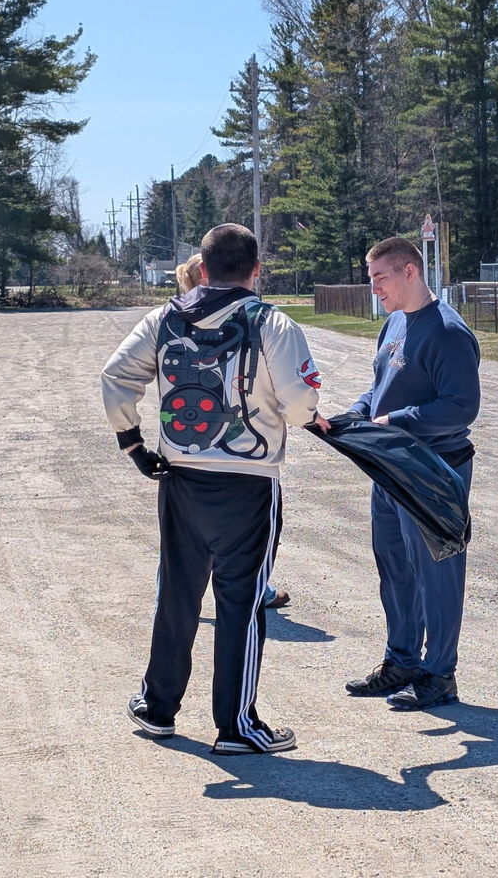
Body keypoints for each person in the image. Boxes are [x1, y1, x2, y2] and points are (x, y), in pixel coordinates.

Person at [102, 223, 328, 754]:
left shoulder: (163, 317)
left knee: (178, 595)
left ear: (202, 269)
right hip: (248, 481)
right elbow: (299, 403)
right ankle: (236, 725)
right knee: (241, 603)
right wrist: (303, 417)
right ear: (256, 269)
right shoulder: (272, 321)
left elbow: (115, 376)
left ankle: (158, 708)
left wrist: (133, 443)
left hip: (179, 475)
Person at [345, 236, 480, 710]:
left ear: (410, 272)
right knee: (395, 568)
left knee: (436, 575)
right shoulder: (395, 324)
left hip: (432, 472)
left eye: (381, 277)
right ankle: (401, 661)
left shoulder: (447, 331)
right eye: (371, 279)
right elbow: (383, 385)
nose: (374, 288)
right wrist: (359, 411)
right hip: (391, 467)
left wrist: (395, 421)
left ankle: (439, 674)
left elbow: (462, 406)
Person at [174, 252, 290, 611]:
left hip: (189, 454)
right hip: (238, 456)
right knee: (240, 536)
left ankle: (174, 598)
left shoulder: (179, 323)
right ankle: (255, 591)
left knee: (186, 542)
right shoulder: (247, 321)